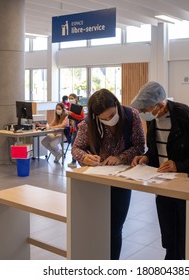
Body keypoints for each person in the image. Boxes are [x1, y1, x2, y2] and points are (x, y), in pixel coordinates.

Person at [130, 81, 189, 260]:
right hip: (165, 185)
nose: (143, 114)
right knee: (170, 236)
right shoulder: (154, 120)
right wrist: (147, 157)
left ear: (160, 105)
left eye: (145, 110)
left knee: (186, 236)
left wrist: (179, 165)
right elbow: (157, 150)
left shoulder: (184, 115)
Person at [71, 89, 145, 259]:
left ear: (116, 105)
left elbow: (140, 146)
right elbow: (76, 148)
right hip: (95, 179)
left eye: (111, 115)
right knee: (94, 225)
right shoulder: (89, 122)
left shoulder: (131, 116)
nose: (108, 121)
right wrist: (85, 157)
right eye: (103, 119)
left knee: (114, 227)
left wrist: (120, 157)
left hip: (121, 179)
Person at [67, 93, 85, 168]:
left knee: (76, 144)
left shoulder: (80, 108)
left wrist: (72, 114)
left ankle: (76, 161)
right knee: (73, 143)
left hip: (78, 128)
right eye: (69, 98)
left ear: (75, 98)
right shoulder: (70, 107)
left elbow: (81, 117)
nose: (70, 100)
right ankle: (74, 160)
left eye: (72, 98)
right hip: (73, 128)